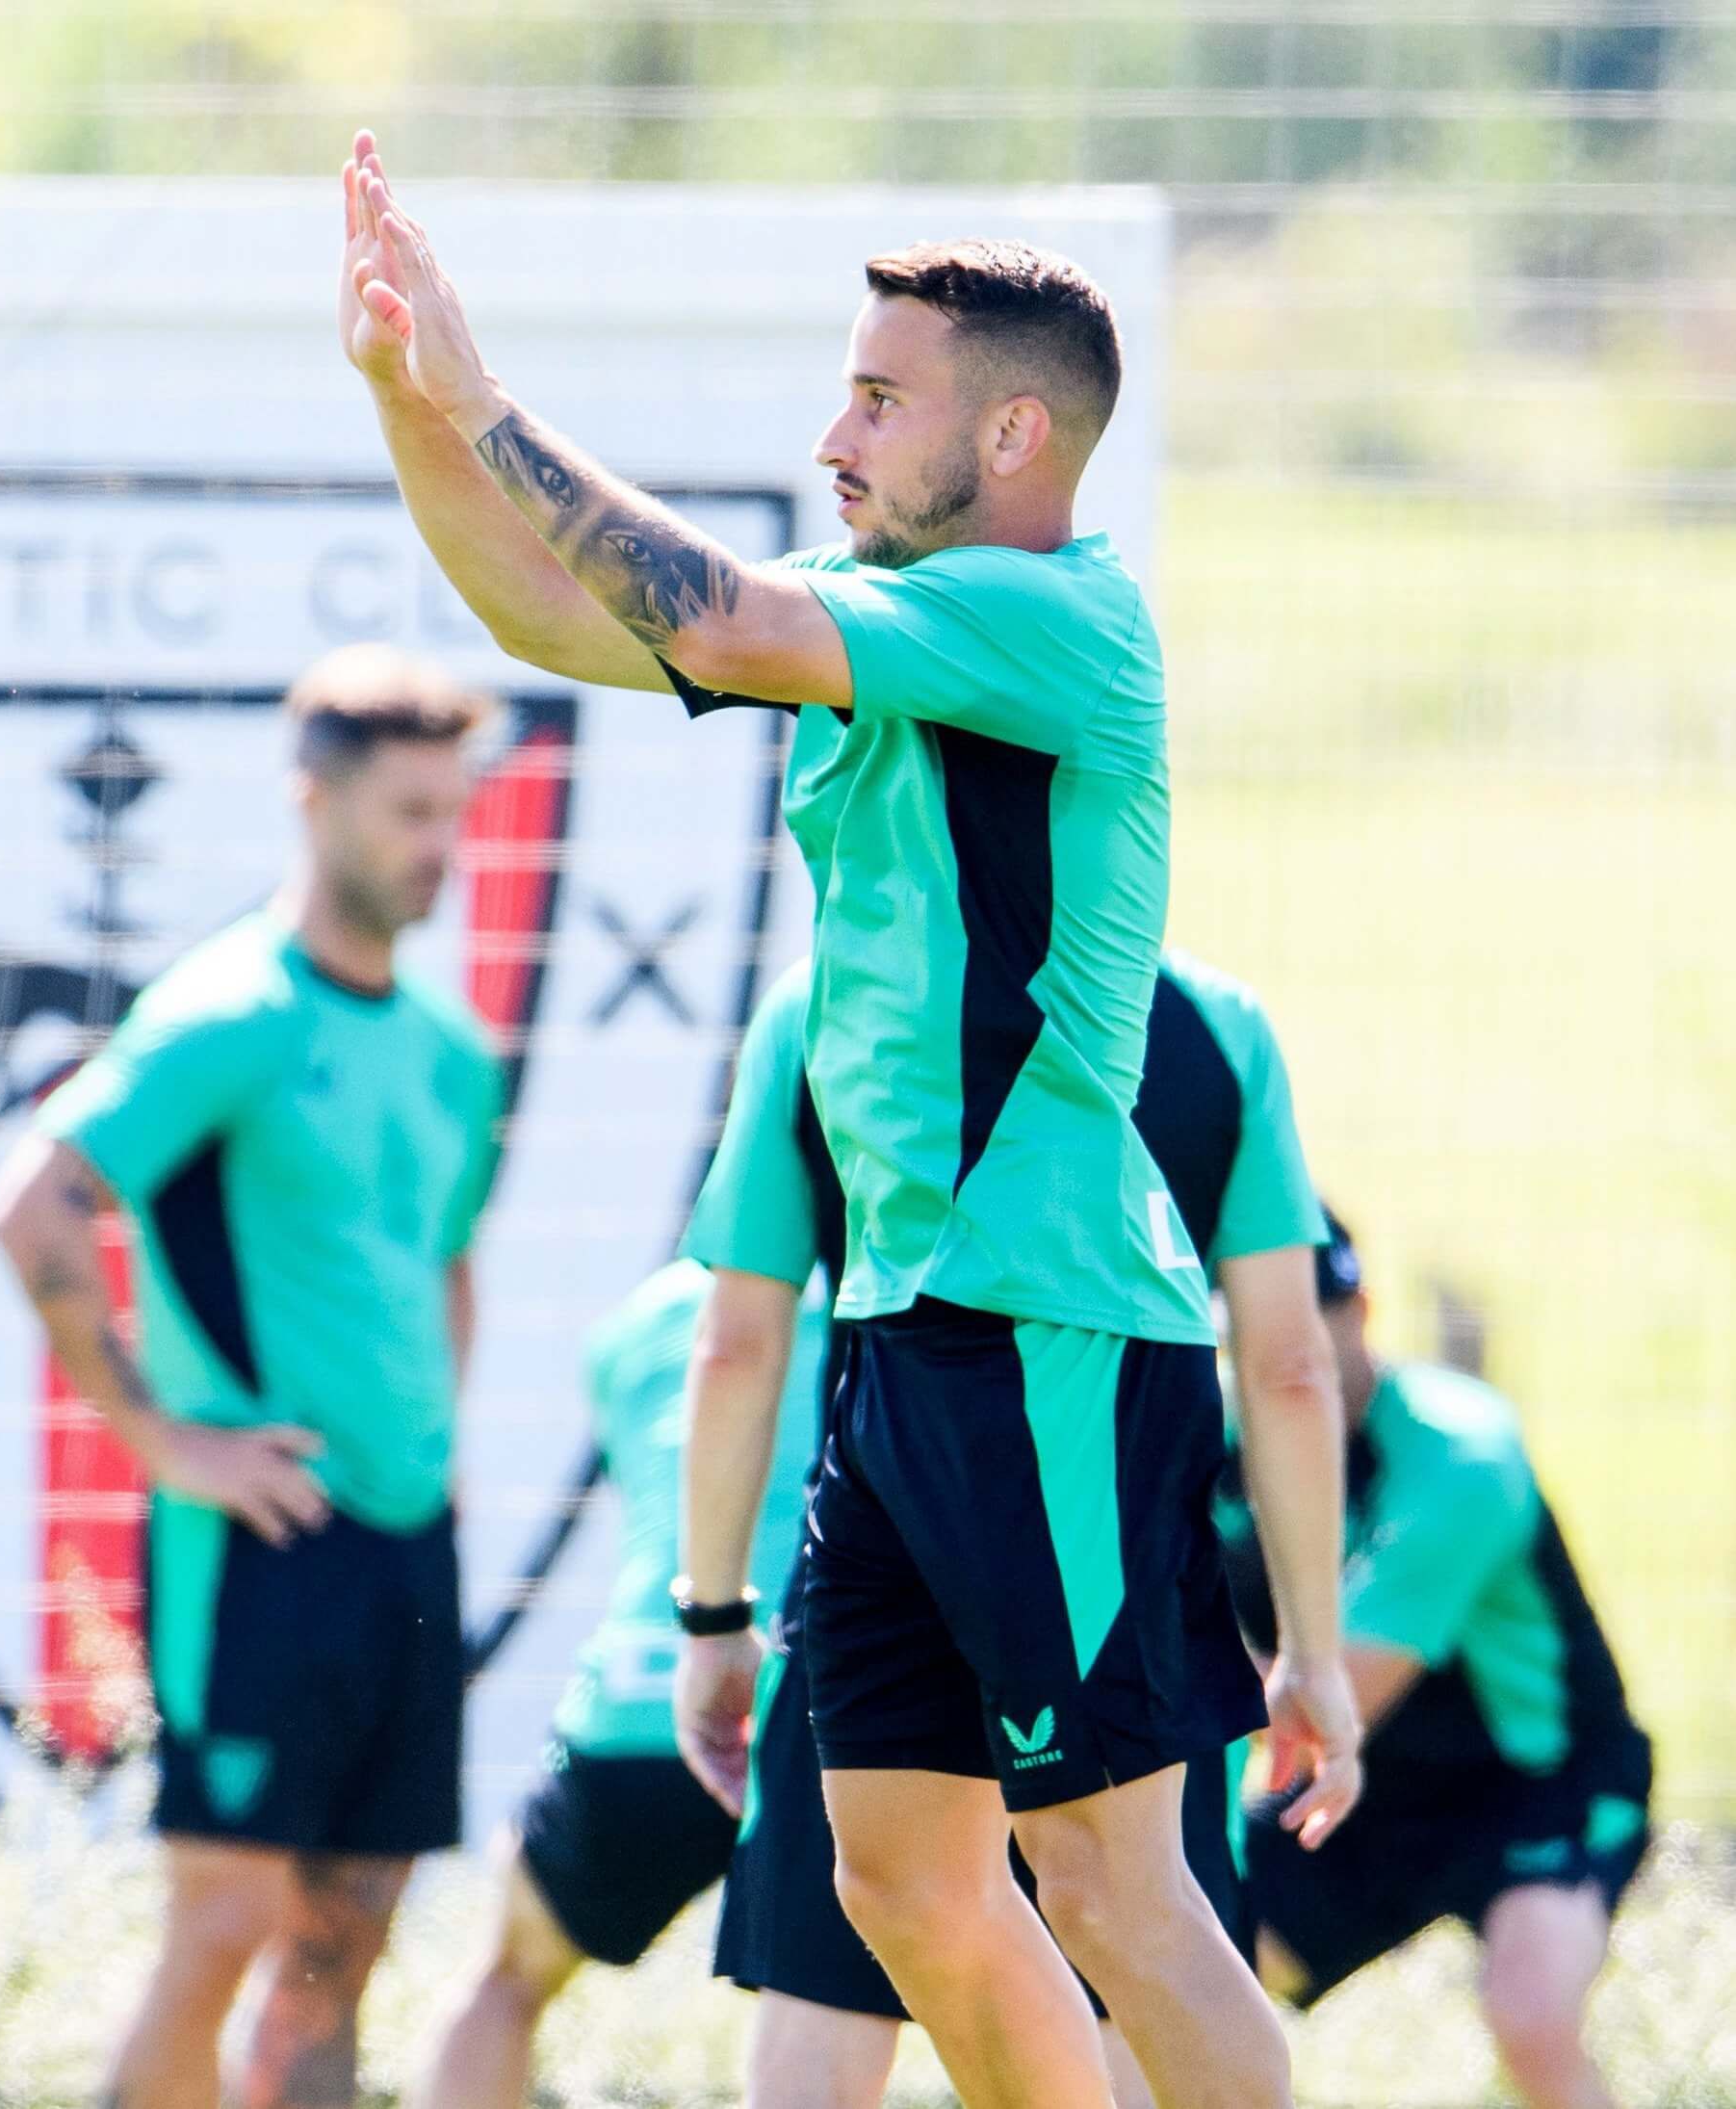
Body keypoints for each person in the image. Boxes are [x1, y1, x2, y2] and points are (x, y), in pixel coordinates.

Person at [337, 131, 1360, 2106]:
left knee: (1111, 1886)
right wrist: (405, 400)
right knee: (897, 1876)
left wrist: (483, 395)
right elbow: (555, 619)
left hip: (1047, 1318)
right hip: (899, 1338)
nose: (833, 431)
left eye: (875, 398)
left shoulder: (1052, 620)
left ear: (1006, 439)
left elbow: (700, 618)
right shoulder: (878, 617)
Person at [668, 955, 1339, 2109]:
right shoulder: (1215, 1030)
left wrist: (714, 1613)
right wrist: (1312, 1651)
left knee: (838, 1998)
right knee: (1134, 1949)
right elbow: (1283, 1366)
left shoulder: (823, 1001)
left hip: (878, 1554)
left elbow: (737, 1342)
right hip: (1107, 1579)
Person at [0, 646, 508, 2109]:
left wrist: (435, 1441)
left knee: (348, 1937)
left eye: (452, 813)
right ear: (315, 801)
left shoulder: (455, 1050)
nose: (437, 846)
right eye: (408, 810)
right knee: (223, 1924)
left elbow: (441, 1259)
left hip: (407, 1541)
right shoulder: (226, 1013)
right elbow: (31, 1204)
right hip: (260, 1538)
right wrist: (162, 1441)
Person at [1221, 1218, 1655, 2109]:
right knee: (1172, 1985)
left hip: (1535, 1783)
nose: (1293, 1348)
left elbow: (1318, 1708)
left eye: (1317, 1316)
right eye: (1265, 1325)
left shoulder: (1459, 1453)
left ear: (1364, 1311)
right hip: (1351, 1792)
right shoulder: (1210, 1448)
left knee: (1531, 2020)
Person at [410, 1255, 825, 2109]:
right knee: (838, 2008)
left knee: (507, 1976)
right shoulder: (867, 1292)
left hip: (639, 1691)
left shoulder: (632, 1324)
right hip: (805, 1693)